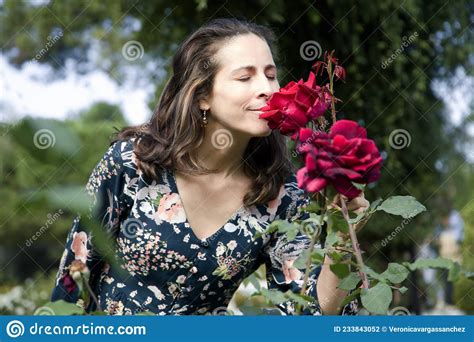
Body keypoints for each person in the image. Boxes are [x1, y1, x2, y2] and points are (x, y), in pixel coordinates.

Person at [51, 18, 365, 316]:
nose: (267, 89)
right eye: (245, 77)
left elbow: (307, 312)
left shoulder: (282, 196)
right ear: (202, 96)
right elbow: (73, 278)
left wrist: (340, 232)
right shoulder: (132, 164)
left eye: (270, 74)